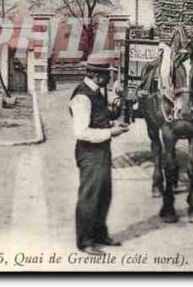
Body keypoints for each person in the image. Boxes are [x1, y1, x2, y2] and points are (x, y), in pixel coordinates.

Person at [69, 53, 130, 256]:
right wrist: (110, 132)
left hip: (102, 150)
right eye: (106, 75)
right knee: (89, 196)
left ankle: (99, 234)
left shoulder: (96, 92)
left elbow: (97, 120)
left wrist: (112, 124)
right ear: (96, 75)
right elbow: (81, 131)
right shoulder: (82, 96)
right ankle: (85, 241)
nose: (108, 79)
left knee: (104, 193)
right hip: (89, 153)